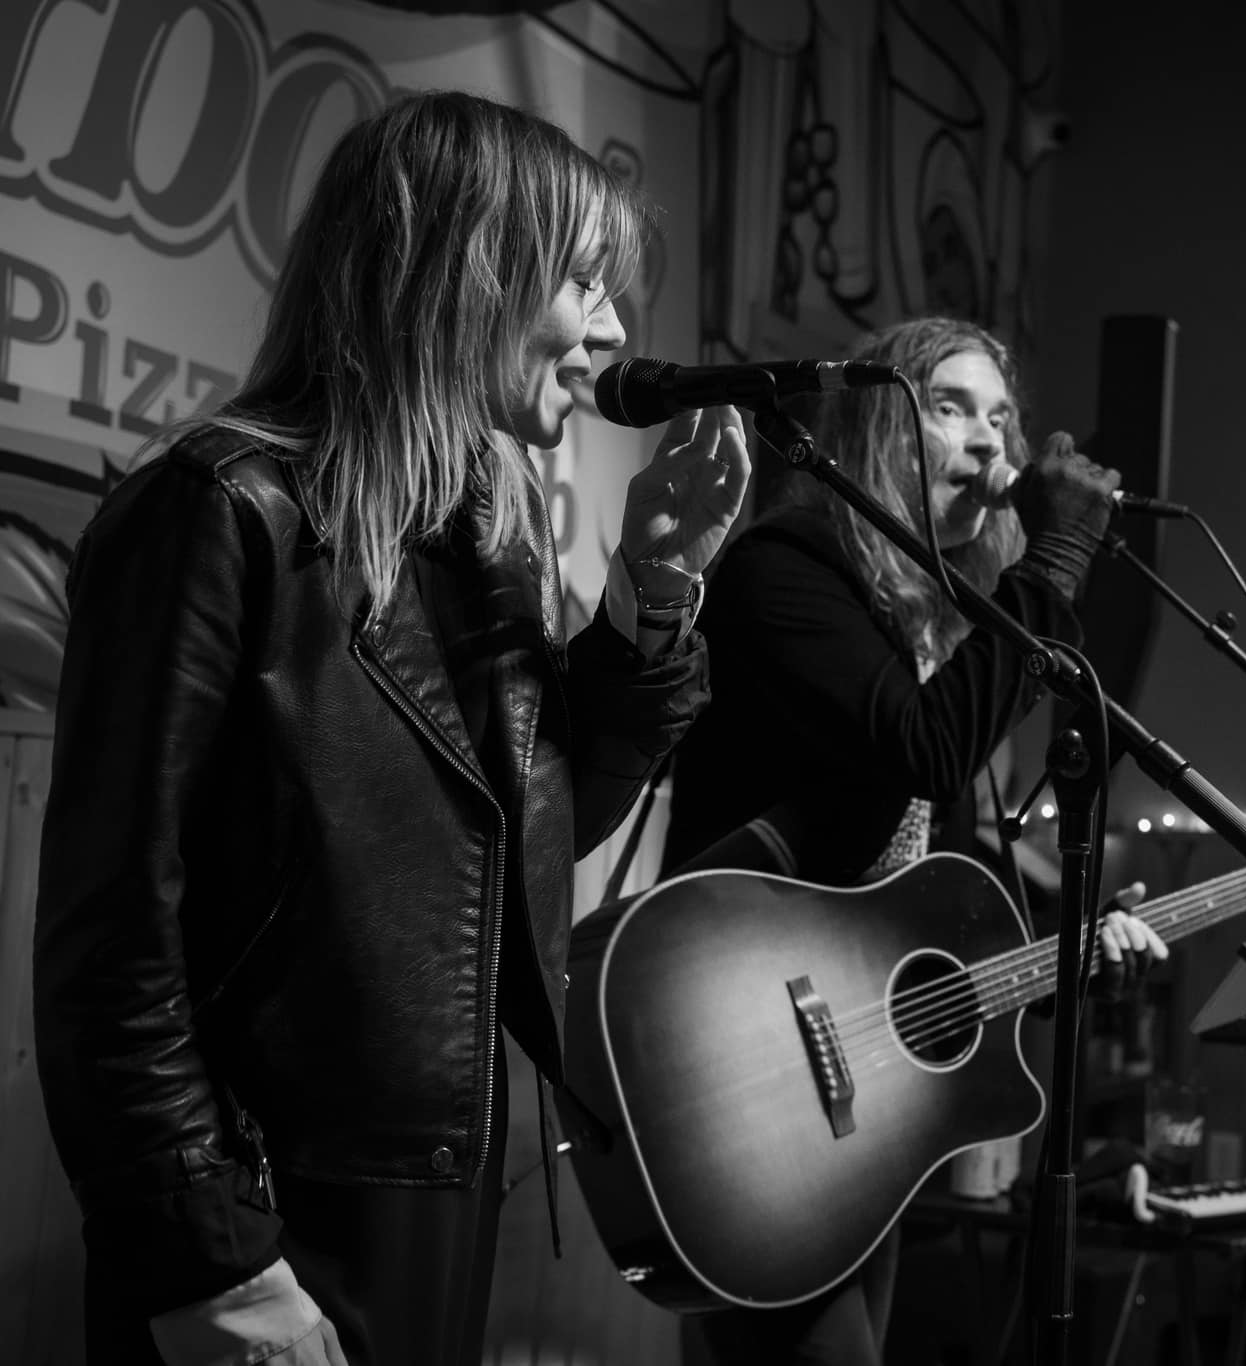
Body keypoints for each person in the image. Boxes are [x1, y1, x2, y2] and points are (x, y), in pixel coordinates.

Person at [33, 91, 750, 1366]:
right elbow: (111, 946)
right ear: (466, 274)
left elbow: (532, 841)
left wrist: (652, 592)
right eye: (580, 281)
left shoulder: (484, 546)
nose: (612, 331)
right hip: (270, 1219)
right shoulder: (217, 511)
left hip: (431, 1198)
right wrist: (216, 1264)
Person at [658, 315, 1166, 1366]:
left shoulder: (934, 626)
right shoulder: (784, 570)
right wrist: (1056, 558)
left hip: (854, 1092)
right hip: (745, 1071)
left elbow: (927, 901)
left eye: (1001, 417)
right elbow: (924, 749)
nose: (990, 440)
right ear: (878, 433)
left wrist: (1067, 947)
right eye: (949, 408)